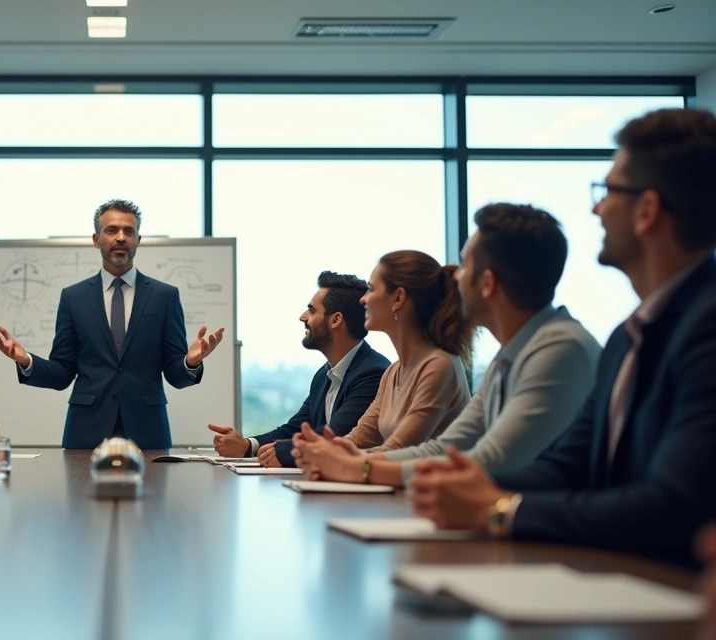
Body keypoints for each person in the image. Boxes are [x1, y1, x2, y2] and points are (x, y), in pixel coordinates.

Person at [409, 108, 716, 568]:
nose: (595, 208)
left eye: (608, 191)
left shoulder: (706, 326)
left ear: (647, 211)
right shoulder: (626, 338)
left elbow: (672, 508)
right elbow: (567, 466)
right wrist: (471, 489)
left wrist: (497, 509)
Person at [296, 204, 601, 487]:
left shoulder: (560, 350)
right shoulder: (509, 357)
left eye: (465, 266)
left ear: (488, 283)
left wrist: (357, 467)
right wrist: (345, 459)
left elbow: (490, 460)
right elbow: (447, 446)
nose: (455, 279)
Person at [0, 199, 225, 449]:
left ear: (138, 240)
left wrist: (191, 362)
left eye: (129, 231)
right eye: (112, 230)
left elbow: (175, 376)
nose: (121, 238)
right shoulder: (73, 297)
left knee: (154, 490)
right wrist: (26, 361)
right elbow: (62, 373)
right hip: (86, 431)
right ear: (96, 239)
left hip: (148, 432)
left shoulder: (165, 296)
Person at [293, 251, 474, 465]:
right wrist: (325, 455)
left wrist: (333, 460)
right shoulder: (393, 372)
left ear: (398, 298)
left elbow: (398, 450)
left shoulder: (439, 365)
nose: (363, 300)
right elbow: (359, 438)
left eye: (370, 289)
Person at [208, 271, 389, 467]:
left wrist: (285, 452)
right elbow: (295, 429)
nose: (302, 317)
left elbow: (337, 434)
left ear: (336, 320)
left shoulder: (373, 373)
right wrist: (247, 445)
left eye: (311, 311)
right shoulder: (324, 375)